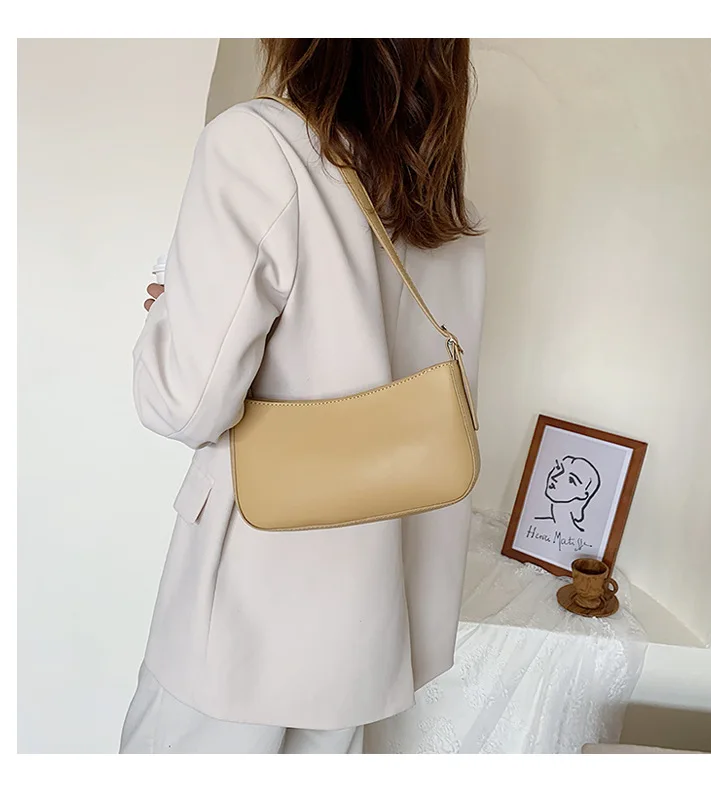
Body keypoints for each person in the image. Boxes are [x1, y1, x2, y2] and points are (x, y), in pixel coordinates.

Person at [120, 38, 486, 754]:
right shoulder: (441, 200)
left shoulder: (257, 147)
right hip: (372, 619)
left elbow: (181, 402)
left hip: (248, 615)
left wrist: (171, 313)